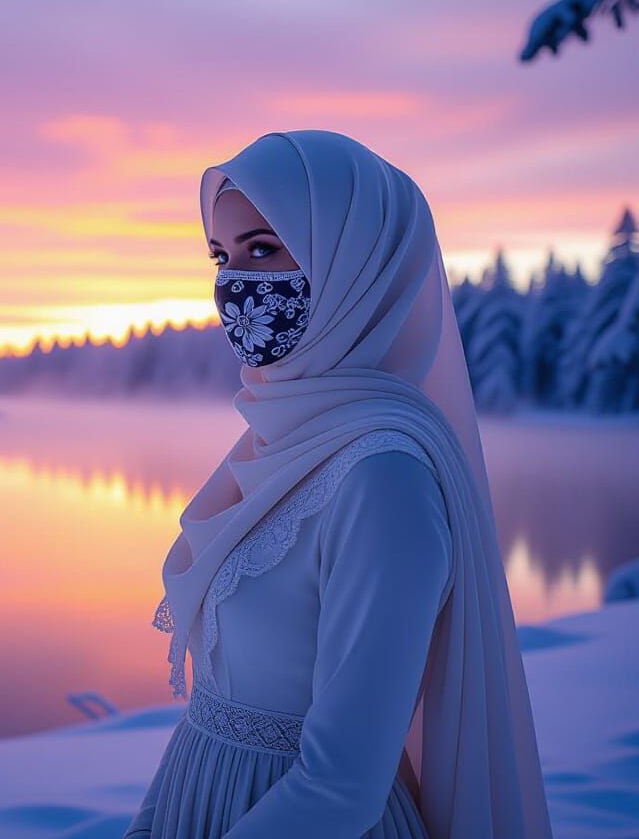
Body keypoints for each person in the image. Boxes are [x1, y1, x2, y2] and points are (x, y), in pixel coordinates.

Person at [122, 130, 554, 839]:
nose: (235, 284)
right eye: (222, 256)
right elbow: (209, 713)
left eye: (264, 249)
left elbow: (341, 787)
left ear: (353, 265)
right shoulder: (274, 444)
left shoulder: (382, 480)